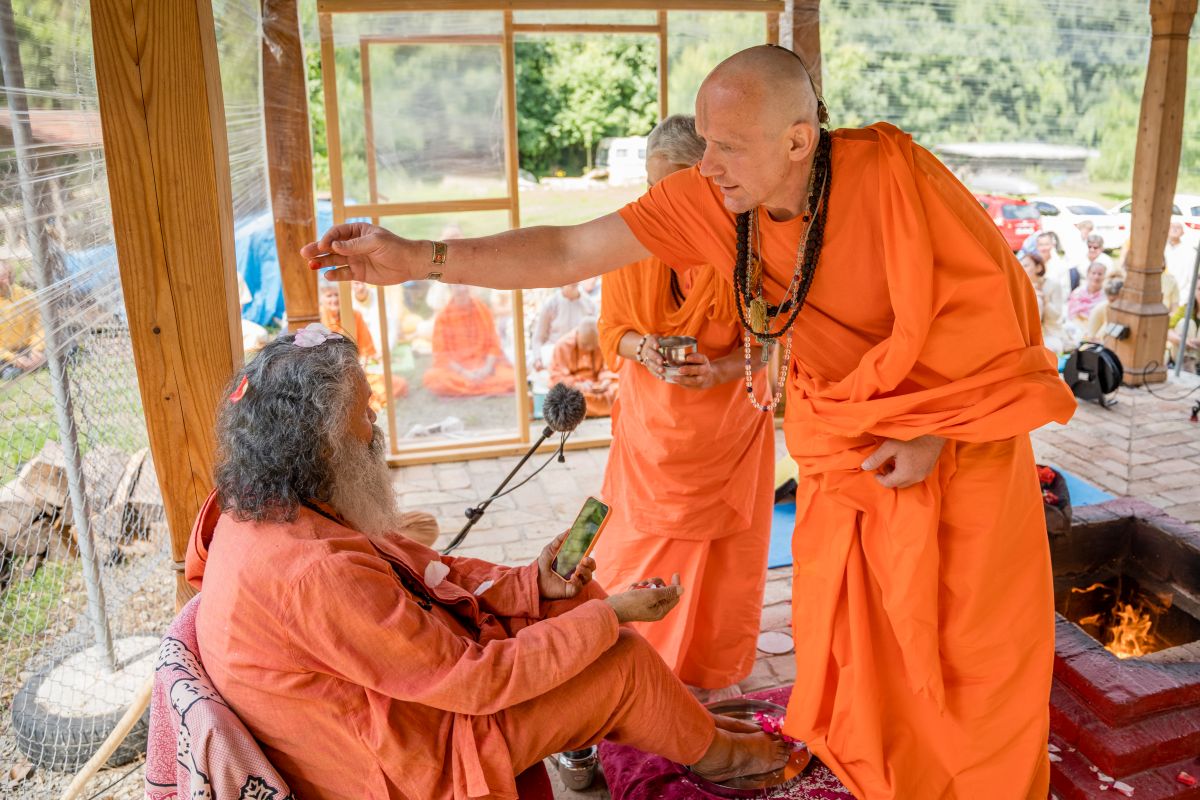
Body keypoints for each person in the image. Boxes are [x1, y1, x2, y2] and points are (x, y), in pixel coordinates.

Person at [305, 44, 1077, 799]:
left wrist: (936, 434)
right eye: (704, 142)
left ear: (798, 141)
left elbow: (1004, 318)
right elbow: (569, 248)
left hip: (957, 440)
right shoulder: (713, 200)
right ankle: (878, 764)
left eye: (727, 146)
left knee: (970, 643)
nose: (707, 165)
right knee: (859, 629)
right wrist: (421, 258)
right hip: (847, 446)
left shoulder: (895, 180)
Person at [190, 328, 790, 799]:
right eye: (364, 412)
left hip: (408, 703)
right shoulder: (315, 570)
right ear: (316, 441)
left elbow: (432, 574)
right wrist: (612, 615)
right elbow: (472, 680)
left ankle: (689, 733)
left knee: (572, 602)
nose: (375, 425)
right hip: (404, 759)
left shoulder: (274, 503)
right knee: (621, 661)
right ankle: (722, 757)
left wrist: (534, 584)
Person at [591, 114, 774, 703]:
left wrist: (718, 371)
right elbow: (612, 331)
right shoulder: (631, 235)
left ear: (710, 178)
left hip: (728, 428)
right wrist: (642, 347)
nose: (659, 203)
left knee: (723, 563)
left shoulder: (752, 242)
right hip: (650, 432)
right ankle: (633, 667)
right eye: (652, 187)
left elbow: (774, 342)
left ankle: (709, 670)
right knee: (634, 546)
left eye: (672, 188)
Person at [319, 283, 407, 410]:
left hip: (355, 371)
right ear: (322, 299)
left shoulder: (355, 315)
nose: (334, 299)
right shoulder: (318, 319)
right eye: (329, 296)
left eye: (337, 295)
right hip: (329, 377)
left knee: (397, 384)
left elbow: (365, 349)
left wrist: (358, 374)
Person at [424, 284, 515, 397]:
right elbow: (442, 355)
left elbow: (494, 345)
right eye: (457, 286)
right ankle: (484, 386)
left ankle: (471, 387)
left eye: (465, 284)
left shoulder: (483, 310)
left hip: (484, 366)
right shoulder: (443, 317)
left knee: (513, 377)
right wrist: (465, 373)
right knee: (434, 379)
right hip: (458, 371)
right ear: (451, 288)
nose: (462, 289)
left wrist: (486, 369)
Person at [548, 317, 617, 417]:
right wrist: (577, 385)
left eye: (593, 346)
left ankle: (584, 412)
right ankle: (598, 410)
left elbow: (609, 367)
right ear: (577, 335)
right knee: (565, 399)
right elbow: (556, 377)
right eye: (585, 345)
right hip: (576, 390)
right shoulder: (562, 346)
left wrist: (605, 380)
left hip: (599, 389)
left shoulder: (602, 342)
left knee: (618, 390)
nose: (589, 348)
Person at [530, 283, 596, 371]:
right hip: (554, 355)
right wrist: (538, 359)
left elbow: (595, 336)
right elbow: (538, 338)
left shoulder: (589, 304)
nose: (573, 281)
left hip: (580, 358)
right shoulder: (550, 304)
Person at [0, 260, 46, 380]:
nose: (4, 282)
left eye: (5, 276)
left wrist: (36, 348)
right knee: (9, 373)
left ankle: (34, 362)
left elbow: (39, 323)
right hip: (5, 355)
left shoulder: (24, 294)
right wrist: (13, 358)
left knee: (65, 345)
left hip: (28, 347)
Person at [1021, 252, 1072, 354]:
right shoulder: (1020, 286)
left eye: (1026, 265)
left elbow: (1056, 316)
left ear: (1038, 268)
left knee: (1046, 351)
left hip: (1051, 333)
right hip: (1026, 336)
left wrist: (1045, 301)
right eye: (1021, 266)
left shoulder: (1054, 285)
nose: (1022, 269)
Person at [1168, 280, 1200, 372]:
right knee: (1186, 323)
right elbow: (1168, 331)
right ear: (1195, 291)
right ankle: (1187, 364)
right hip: (1181, 355)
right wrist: (1182, 340)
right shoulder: (1187, 308)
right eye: (1199, 289)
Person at [1083, 278, 1123, 343]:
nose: (1114, 305)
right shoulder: (1099, 309)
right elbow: (1091, 337)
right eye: (1111, 301)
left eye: (1117, 301)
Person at [1066, 261, 1106, 325]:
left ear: (1104, 277)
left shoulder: (1106, 297)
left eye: (1100, 274)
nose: (1096, 277)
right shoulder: (1077, 293)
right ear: (1087, 274)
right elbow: (1070, 315)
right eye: (1093, 273)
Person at [1165, 220, 1199, 294]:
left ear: (1183, 232)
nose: (1174, 229)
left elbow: (1192, 277)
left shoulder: (1190, 252)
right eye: (1172, 227)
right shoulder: (1161, 249)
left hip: (1181, 294)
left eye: (1178, 227)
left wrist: (1185, 294)